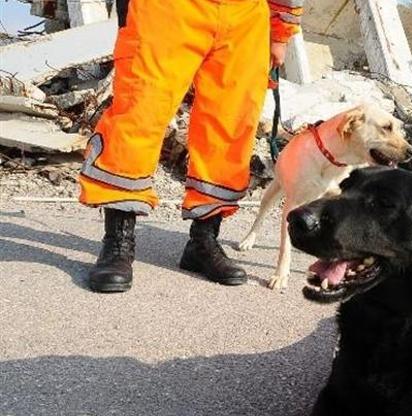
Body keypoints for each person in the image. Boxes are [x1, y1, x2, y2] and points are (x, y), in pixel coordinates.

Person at [78, 0, 303, 293]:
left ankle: (204, 240)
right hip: (169, 9)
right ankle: (118, 242)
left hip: (245, 14)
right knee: (140, 111)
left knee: (230, 127)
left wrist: (281, 29)